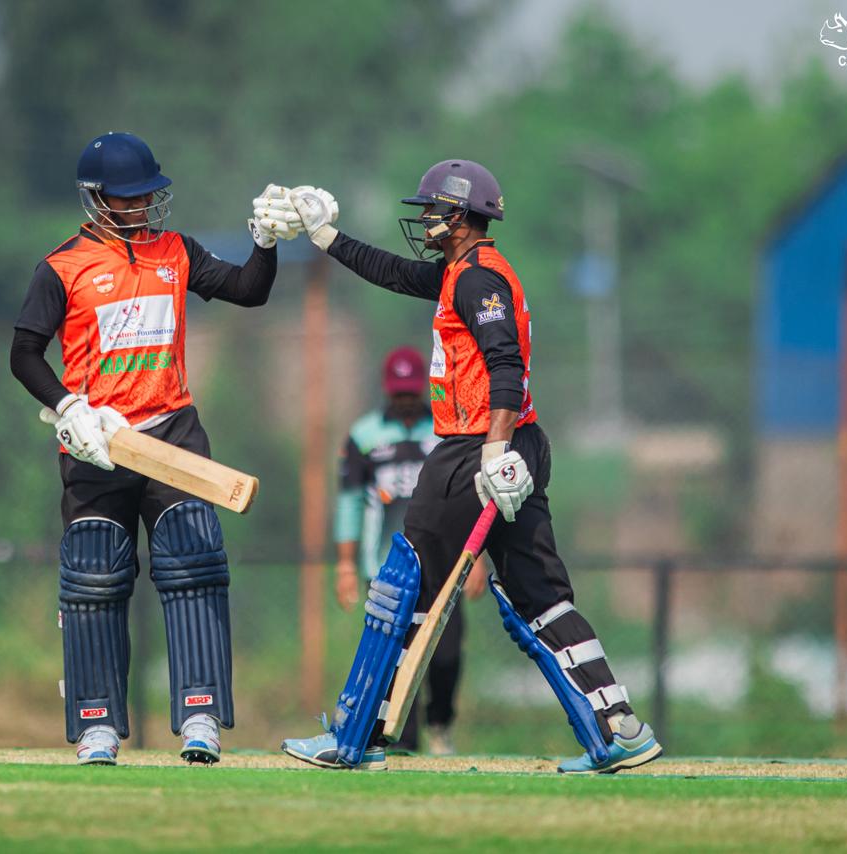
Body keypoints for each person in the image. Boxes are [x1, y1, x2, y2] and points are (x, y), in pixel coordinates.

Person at [277, 162, 662, 773]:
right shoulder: (467, 271)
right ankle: (622, 727)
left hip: (475, 448)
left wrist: (492, 449)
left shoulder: (478, 280)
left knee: (406, 586)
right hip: (514, 443)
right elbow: (397, 273)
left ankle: (357, 736)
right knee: (541, 596)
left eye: (432, 209)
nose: (424, 220)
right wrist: (327, 237)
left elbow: (506, 363)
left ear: (459, 215)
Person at [9, 131, 299, 766]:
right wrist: (68, 407)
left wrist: (265, 243)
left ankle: (200, 718)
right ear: (96, 199)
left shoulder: (176, 251)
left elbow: (250, 289)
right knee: (93, 576)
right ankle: (98, 725)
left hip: (172, 430)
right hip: (98, 441)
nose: (141, 207)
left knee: (194, 564)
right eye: (128, 198)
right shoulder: (61, 267)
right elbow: (24, 354)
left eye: (147, 196)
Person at [334, 346, 486, 756]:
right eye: (397, 392)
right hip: (386, 566)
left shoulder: (444, 431)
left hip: (445, 565)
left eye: (410, 392)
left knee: (446, 655)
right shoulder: (364, 437)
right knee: (395, 659)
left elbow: (470, 496)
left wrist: (478, 557)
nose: (404, 400)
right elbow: (349, 501)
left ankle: (440, 725)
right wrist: (346, 565)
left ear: (421, 389)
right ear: (388, 390)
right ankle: (400, 740)